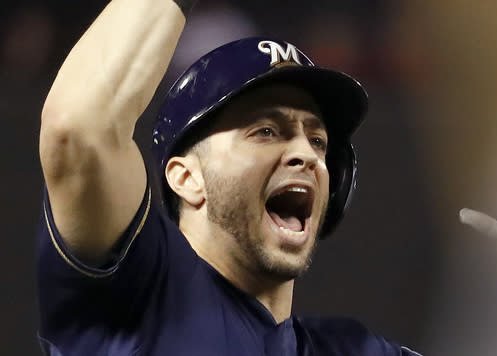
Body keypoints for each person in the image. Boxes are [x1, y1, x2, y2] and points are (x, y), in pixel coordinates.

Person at [37, 1, 422, 355]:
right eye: (267, 131)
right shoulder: (136, 300)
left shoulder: (349, 349)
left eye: (318, 140)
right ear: (188, 178)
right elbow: (77, 128)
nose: (307, 154)